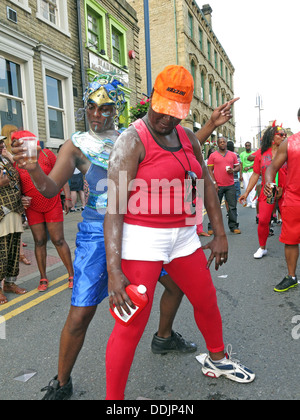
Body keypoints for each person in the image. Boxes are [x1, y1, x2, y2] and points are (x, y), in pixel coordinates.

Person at [12, 74, 198, 400]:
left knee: (178, 284)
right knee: (82, 311)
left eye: (106, 108)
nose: (97, 115)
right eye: (91, 107)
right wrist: (32, 168)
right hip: (98, 233)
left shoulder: (140, 136)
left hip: (143, 227)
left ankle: (164, 336)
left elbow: (181, 154)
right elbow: (50, 189)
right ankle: (62, 381)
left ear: (119, 109)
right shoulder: (76, 144)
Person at [104, 65, 255, 400]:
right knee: (130, 325)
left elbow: (206, 184)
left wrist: (220, 233)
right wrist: (114, 271)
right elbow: (113, 209)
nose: (166, 120)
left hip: (184, 238)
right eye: (162, 110)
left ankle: (217, 359)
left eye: (175, 114)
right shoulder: (132, 140)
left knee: (205, 299)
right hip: (142, 241)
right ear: (152, 100)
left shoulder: (187, 138)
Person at [11, 130, 74, 291]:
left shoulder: (46, 155)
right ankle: (43, 277)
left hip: (51, 202)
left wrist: (67, 197)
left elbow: (61, 177)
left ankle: (72, 274)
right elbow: (15, 186)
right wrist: (21, 199)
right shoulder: (16, 162)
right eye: (18, 142)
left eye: (26, 141)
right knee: (39, 241)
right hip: (33, 207)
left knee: (58, 239)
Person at [239, 122, 287, 259]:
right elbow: (255, 174)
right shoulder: (261, 153)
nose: (284, 137)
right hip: (269, 191)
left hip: (285, 191)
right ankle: (262, 247)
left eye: (285, 135)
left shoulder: (288, 152)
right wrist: (247, 192)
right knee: (263, 220)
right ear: (272, 137)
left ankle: (291, 247)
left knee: (290, 222)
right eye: (281, 135)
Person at [264, 109, 300, 292]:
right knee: (291, 239)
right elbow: (271, 168)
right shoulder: (290, 143)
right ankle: (291, 276)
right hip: (294, 199)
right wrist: (270, 183)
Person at [0, 136, 28, 305]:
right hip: (1, 212)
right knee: (1, 251)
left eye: (2, 142)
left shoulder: (5, 158)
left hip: (15, 208)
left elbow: (15, 180)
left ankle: (9, 283)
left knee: (13, 250)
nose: (2, 144)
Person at [1, 124, 31, 265]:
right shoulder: (5, 155)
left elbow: (20, 169)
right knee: (5, 244)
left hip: (16, 200)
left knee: (16, 236)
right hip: (4, 205)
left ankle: (11, 280)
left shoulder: (8, 156)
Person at [207, 136, 241, 234]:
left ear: (226, 143)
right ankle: (212, 227)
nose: (222, 143)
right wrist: (214, 183)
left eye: (224, 142)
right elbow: (209, 170)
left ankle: (233, 226)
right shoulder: (213, 155)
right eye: (220, 142)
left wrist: (233, 170)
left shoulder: (232, 155)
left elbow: (238, 167)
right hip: (217, 185)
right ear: (217, 144)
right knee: (215, 207)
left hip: (230, 185)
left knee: (232, 207)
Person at [239, 142, 256, 208]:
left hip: (252, 172)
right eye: (246, 146)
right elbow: (241, 165)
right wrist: (240, 175)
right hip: (245, 173)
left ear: (250, 146)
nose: (247, 147)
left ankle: (253, 202)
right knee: (246, 187)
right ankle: (249, 202)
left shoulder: (254, 153)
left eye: (248, 145)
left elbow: (256, 164)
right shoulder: (242, 154)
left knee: (253, 187)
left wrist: (249, 167)